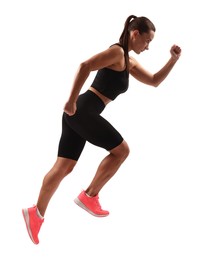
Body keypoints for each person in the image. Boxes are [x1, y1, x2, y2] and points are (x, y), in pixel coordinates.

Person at [22, 14, 181, 244]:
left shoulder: (129, 61)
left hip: (80, 113)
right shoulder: (117, 53)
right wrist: (71, 100)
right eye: (147, 41)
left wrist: (173, 60)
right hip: (83, 109)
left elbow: (155, 80)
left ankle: (35, 214)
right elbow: (85, 65)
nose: (148, 47)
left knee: (64, 166)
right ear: (135, 34)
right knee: (122, 151)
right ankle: (89, 196)